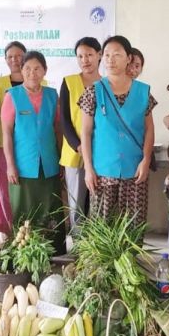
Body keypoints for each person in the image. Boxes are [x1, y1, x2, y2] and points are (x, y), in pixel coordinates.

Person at [79, 35, 156, 226]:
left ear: (128, 58)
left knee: (132, 225)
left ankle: (129, 257)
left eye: (117, 55)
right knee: (103, 229)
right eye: (106, 55)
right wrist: (88, 168)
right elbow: (86, 133)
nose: (110, 60)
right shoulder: (93, 91)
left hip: (135, 170)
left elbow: (149, 129)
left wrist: (146, 160)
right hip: (103, 171)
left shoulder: (143, 91)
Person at [1, 51, 66, 253]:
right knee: (25, 208)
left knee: (51, 207)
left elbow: (58, 129)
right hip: (23, 165)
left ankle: (53, 250)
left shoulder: (52, 95)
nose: (32, 73)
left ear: (45, 70)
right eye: (27, 68)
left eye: (37, 68)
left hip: (49, 163)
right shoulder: (12, 96)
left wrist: (61, 158)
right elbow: (7, 133)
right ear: (21, 71)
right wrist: (10, 165)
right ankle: (25, 251)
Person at [60, 37, 101, 231]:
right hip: (74, 151)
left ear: (99, 55)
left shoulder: (107, 84)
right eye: (80, 56)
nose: (85, 60)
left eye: (89, 55)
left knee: (98, 202)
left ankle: (96, 247)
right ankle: (78, 248)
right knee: (77, 203)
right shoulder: (69, 82)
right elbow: (65, 120)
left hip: (101, 153)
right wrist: (79, 145)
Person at [0, 41, 26, 234]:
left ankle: (27, 231)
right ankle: (10, 233)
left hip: (29, 147)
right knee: (5, 190)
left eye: (19, 55)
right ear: (5, 60)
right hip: (2, 144)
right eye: (10, 56)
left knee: (25, 190)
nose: (15, 60)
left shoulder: (40, 82)